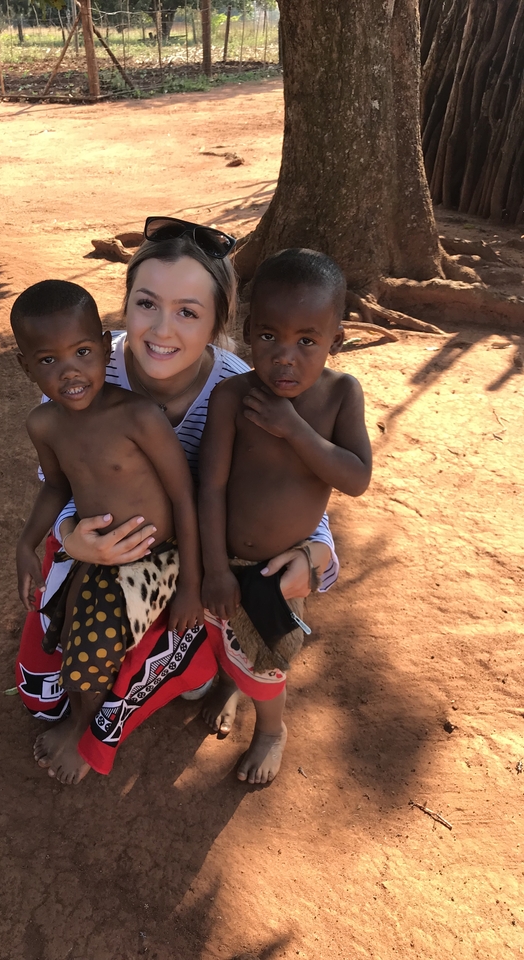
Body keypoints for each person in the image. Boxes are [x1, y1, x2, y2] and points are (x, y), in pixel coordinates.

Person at [14, 217, 341, 784]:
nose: (162, 329)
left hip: (201, 561)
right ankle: (156, 658)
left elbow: (297, 494)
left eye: (188, 311)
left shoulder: (243, 389)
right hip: (114, 550)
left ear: (219, 323)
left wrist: (317, 562)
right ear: (124, 308)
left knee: (197, 663)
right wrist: (69, 536)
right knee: (43, 696)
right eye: (147, 304)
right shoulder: (87, 364)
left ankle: (212, 675)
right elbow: (64, 476)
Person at [11, 279, 203, 783]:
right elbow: (55, 487)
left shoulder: (138, 416)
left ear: (104, 344)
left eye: (81, 352)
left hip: (155, 555)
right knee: (65, 627)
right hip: (94, 552)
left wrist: (190, 585)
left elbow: (186, 496)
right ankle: (77, 708)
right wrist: (25, 543)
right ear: (24, 365)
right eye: (47, 361)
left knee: (92, 647)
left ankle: (82, 731)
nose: (70, 371)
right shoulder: (44, 425)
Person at [198, 248, 373, 783]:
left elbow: (356, 478)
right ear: (249, 331)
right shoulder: (232, 396)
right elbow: (211, 486)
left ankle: (271, 728)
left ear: (335, 340)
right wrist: (216, 569)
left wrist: (294, 428)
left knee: (269, 658)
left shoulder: (341, 395)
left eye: (307, 341)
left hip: (281, 570)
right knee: (224, 635)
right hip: (225, 559)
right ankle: (229, 686)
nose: (285, 358)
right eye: (269, 337)